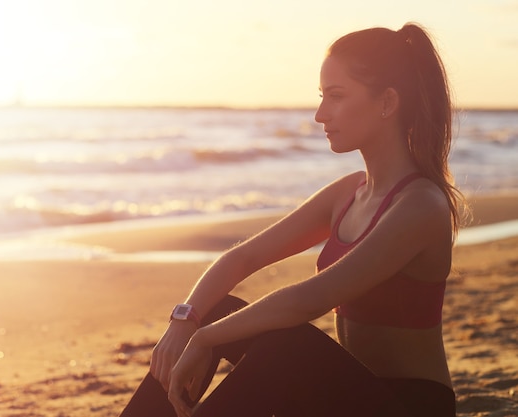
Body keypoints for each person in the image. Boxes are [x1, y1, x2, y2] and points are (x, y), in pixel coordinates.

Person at [119, 22, 466, 417]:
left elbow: (309, 299)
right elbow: (242, 259)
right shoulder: (349, 193)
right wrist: (186, 321)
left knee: (283, 344)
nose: (320, 114)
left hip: (408, 406)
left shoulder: (421, 205)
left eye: (336, 97)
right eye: (322, 97)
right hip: (344, 397)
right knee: (218, 308)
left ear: (387, 102)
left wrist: (204, 340)